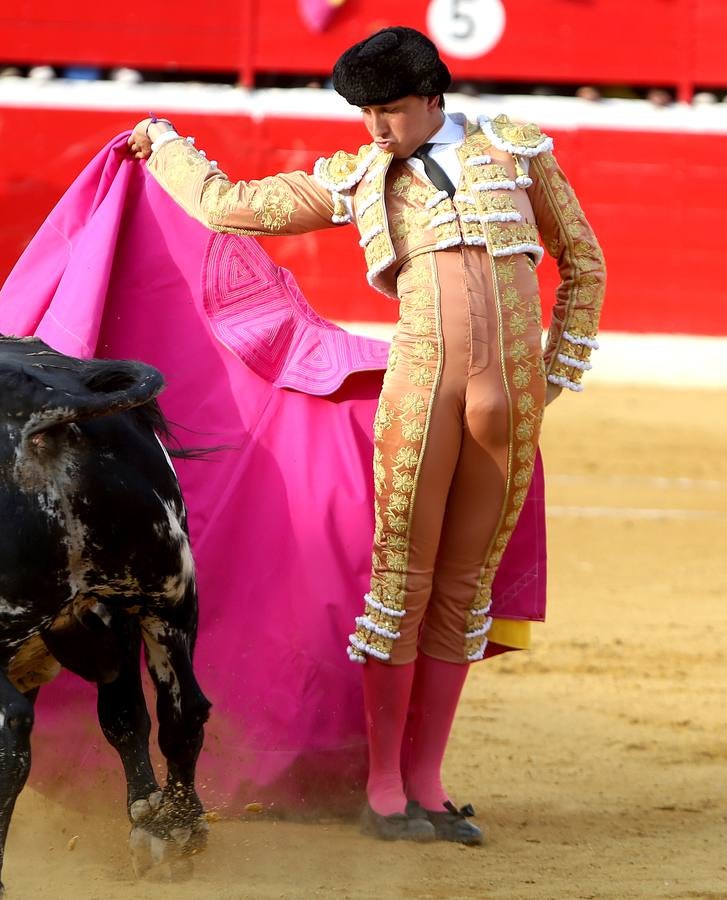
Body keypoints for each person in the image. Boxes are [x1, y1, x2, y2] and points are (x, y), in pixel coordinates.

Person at [127, 25, 605, 844]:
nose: (374, 129)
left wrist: (554, 374)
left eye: (388, 111)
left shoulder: (520, 154)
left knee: (463, 593)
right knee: (400, 588)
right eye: (363, 113)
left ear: (431, 98)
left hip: (510, 409)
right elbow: (231, 207)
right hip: (420, 400)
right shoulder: (358, 177)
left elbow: (583, 261)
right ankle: (384, 788)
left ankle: (427, 779)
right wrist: (167, 147)